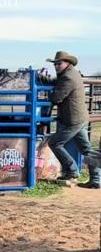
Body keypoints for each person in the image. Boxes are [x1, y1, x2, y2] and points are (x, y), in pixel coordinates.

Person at [43, 51, 100, 189]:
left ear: (67, 63)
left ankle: (72, 170)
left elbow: (56, 98)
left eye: (59, 63)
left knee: (55, 143)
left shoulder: (68, 78)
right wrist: (46, 80)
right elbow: (57, 82)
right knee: (86, 149)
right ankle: (96, 180)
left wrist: (47, 92)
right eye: (55, 64)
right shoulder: (70, 74)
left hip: (72, 120)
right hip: (78, 118)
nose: (56, 66)